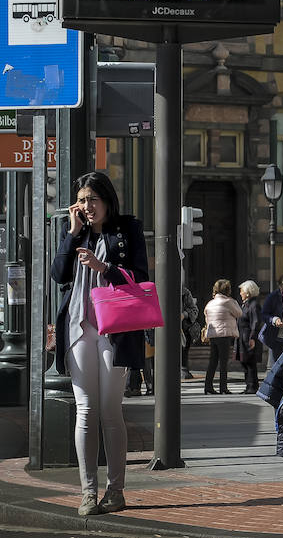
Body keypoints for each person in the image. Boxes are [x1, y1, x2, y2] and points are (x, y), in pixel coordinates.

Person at [50, 171, 149, 516]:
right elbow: (58, 275)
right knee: (86, 410)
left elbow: (141, 276)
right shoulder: (75, 232)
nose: (86, 206)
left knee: (109, 410)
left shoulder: (128, 229)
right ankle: (88, 491)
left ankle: (116, 490)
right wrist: (72, 234)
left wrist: (103, 266)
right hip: (79, 325)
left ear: (107, 200)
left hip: (114, 328)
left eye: (92, 199)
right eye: (81, 200)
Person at [203, 279, 242, 394]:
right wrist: (234, 301)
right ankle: (223, 388)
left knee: (213, 361)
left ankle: (208, 387)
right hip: (224, 335)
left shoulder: (210, 304)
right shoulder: (228, 302)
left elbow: (206, 317)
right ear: (227, 290)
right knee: (224, 362)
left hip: (213, 335)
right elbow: (239, 313)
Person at [237, 280, 264, 394]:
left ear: (247, 292)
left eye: (242, 291)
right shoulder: (247, 304)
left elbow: (255, 322)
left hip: (248, 336)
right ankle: (249, 386)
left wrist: (252, 337)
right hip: (243, 336)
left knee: (250, 362)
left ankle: (252, 386)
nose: (240, 293)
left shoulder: (254, 305)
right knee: (245, 361)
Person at [262, 274, 283, 364]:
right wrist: (274, 320)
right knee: (277, 364)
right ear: (279, 285)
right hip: (277, 337)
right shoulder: (273, 297)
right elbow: (264, 314)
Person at [181, 285, 201, 380]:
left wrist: (184, 315)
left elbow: (194, 310)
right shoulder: (158, 288)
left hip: (183, 329)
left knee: (183, 349)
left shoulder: (184, 292)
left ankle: (183, 369)